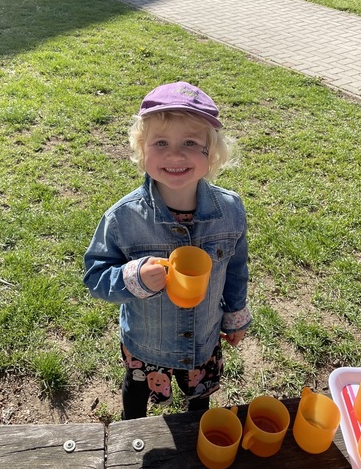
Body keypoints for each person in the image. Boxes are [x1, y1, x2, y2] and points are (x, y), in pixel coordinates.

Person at [84, 81, 250, 419]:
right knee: (136, 392)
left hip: (203, 338)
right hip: (147, 343)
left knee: (199, 399)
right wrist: (133, 277)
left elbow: (235, 268)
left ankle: (194, 427)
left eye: (190, 143)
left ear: (212, 153)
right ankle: (132, 428)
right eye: (161, 143)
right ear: (142, 149)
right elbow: (95, 276)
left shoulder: (230, 210)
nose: (175, 155)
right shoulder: (123, 218)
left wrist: (235, 316)